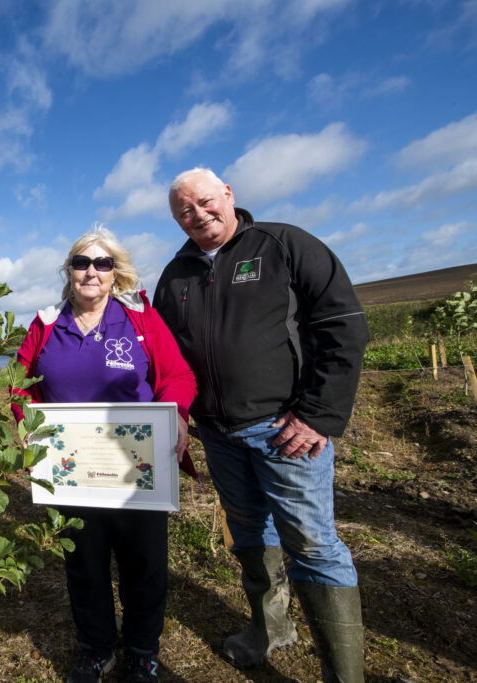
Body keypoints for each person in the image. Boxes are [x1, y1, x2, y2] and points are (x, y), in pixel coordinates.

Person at [152, 168, 369, 682]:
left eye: (205, 202)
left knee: (312, 544)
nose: (198, 215)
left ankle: (346, 676)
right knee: (249, 533)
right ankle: (270, 629)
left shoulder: (283, 244)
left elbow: (342, 325)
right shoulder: (175, 275)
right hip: (219, 435)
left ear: (228, 195)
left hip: (285, 429)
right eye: (185, 211)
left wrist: (319, 414)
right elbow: (164, 357)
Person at [12, 227, 197, 683]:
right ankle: (96, 650)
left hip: (137, 466)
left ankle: (141, 651)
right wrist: (24, 418)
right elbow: (18, 382)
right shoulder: (45, 322)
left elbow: (178, 375)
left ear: (116, 274)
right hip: (72, 470)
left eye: (102, 264)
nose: (90, 272)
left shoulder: (139, 320)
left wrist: (177, 414)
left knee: (145, 563)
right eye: (81, 263)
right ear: (69, 272)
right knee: (85, 564)